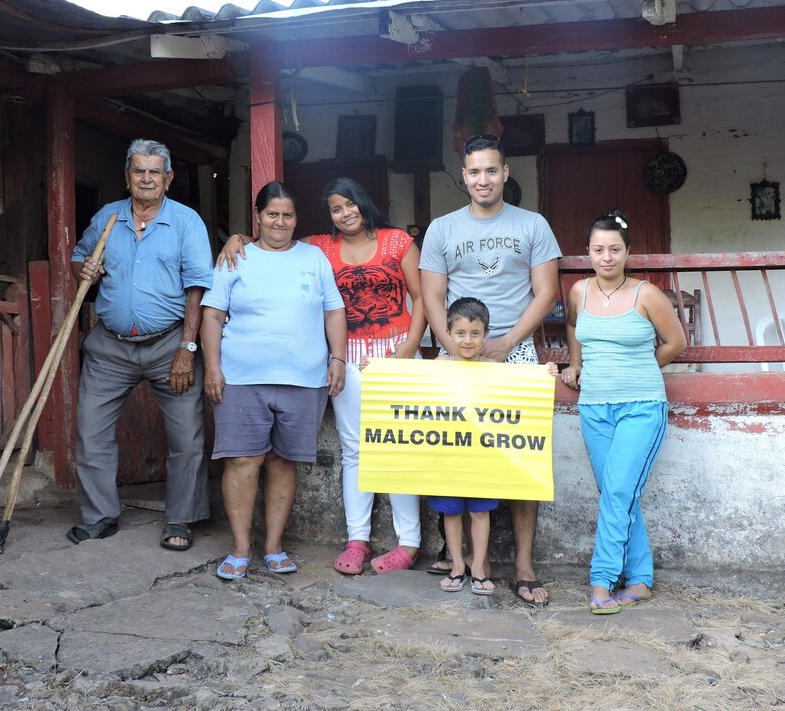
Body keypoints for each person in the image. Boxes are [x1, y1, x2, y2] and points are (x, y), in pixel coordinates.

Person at [218, 177, 426, 575]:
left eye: (351, 204)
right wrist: (236, 238)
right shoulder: (320, 247)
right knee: (354, 448)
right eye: (336, 208)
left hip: (397, 352)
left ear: (364, 203)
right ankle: (357, 539)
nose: (345, 213)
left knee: (401, 445)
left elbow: (421, 297)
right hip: (347, 356)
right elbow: (273, 238)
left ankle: (409, 543)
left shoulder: (398, 241)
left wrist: (409, 347)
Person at [419, 133, 560, 606]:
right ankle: (458, 555)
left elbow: (546, 292)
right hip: (457, 352)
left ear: (505, 173)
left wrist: (506, 343)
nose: (484, 179)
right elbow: (433, 297)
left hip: (513, 352)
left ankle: (523, 565)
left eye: (491, 170)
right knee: (452, 451)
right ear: (464, 176)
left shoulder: (533, 224)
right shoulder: (442, 229)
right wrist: (454, 350)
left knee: (522, 456)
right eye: (475, 171)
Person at [68, 139, 213, 552]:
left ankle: (181, 518)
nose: (146, 179)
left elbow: (197, 290)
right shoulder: (108, 217)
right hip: (110, 346)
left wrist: (187, 349)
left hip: (170, 343)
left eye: (154, 172)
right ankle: (100, 516)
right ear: (127, 176)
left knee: (187, 437)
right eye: (138, 171)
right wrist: (84, 270)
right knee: (90, 429)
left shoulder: (186, 222)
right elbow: (79, 258)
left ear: (168, 178)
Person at [202, 181, 347, 580]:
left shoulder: (314, 257)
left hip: (304, 377)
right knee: (241, 460)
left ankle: (273, 547)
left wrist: (337, 357)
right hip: (242, 377)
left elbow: (333, 311)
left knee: (283, 462)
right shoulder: (235, 257)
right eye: (272, 214)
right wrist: (212, 367)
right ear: (258, 216)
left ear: (296, 219)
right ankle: (239, 549)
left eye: (287, 215)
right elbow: (212, 314)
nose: (279, 222)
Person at [558, 210, 686, 614]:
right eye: (598, 250)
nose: (606, 257)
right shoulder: (579, 291)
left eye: (614, 249)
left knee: (617, 493)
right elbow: (574, 328)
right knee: (618, 493)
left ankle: (601, 581)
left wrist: (639, 368)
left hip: (641, 407)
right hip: (594, 409)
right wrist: (575, 363)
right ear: (588, 252)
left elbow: (675, 342)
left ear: (628, 252)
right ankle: (641, 580)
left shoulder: (646, 295)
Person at [362, 297, 499, 595]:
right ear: (448, 334)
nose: (467, 340)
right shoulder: (437, 366)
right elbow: (409, 384)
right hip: (447, 457)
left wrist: (547, 374)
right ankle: (457, 566)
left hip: (482, 459)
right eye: (460, 333)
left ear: (486, 335)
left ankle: (478, 568)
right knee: (452, 513)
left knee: (480, 513)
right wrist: (376, 370)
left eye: (475, 333)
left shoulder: (494, 368)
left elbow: (519, 391)